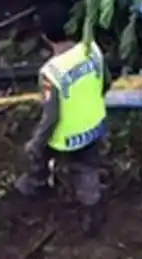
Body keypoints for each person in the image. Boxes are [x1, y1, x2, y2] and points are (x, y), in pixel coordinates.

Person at [15, 25, 112, 235]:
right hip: (94, 126)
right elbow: (106, 83)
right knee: (87, 168)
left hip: (64, 136)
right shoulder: (92, 49)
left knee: (36, 152)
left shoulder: (52, 72)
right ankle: (92, 209)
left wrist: (36, 142)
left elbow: (51, 117)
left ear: (46, 37)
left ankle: (36, 184)